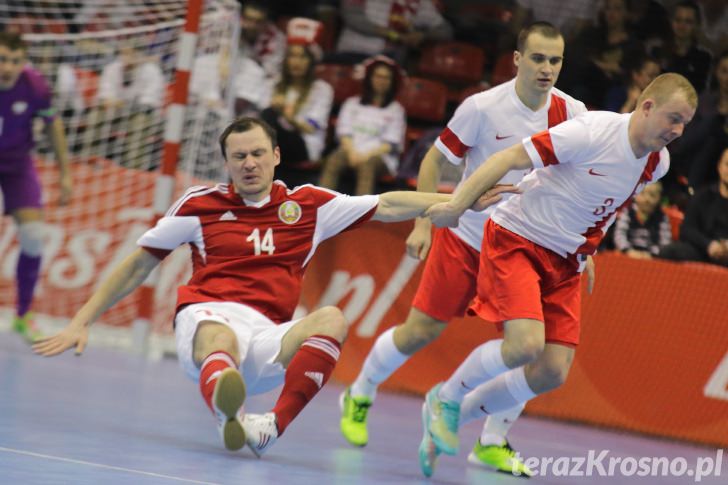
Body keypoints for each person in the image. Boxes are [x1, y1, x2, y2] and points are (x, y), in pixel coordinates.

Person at [32, 117, 512, 457]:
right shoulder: (199, 205)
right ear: (225, 162)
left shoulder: (308, 204)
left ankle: (267, 426)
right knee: (217, 337)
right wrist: (82, 319)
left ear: (277, 156)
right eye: (238, 156)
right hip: (208, 317)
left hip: (268, 337)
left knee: (332, 318)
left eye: (258, 153)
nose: (249, 163)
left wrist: (462, 198)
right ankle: (227, 405)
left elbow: (386, 203)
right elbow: (140, 262)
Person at [338, 22, 587, 478]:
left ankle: (492, 441)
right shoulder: (483, 107)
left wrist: (581, 247)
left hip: (528, 249)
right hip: (468, 239)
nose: (546, 68)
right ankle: (360, 391)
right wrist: (422, 225)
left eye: (555, 60)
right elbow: (435, 161)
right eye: (537, 58)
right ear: (516, 59)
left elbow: (579, 184)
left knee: (532, 348)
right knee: (419, 332)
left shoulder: (573, 113)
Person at [422, 73, 697, 473]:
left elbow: (607, 204)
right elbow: (508, 158)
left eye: (685, 122)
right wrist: (456, 205)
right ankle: (445, 399)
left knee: (551, 372)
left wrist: (588, 252)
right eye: (673, 117)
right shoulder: (590, 132)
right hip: (518, 238)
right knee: (524, 346)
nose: (678, 130)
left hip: (567, 258)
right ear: (647, 106)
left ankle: (455, 419)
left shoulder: (658, 163)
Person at [0, 32, 73, 342]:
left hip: (17, 166)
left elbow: (54, 125)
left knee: (32, 236)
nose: (8, 67)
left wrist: (65, 174)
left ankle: (23, 314)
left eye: (16, 61)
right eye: (3, 59)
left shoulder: (35, 86)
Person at [259, 18, 333, 187]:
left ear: (311, 62)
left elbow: (311, 127)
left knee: (270, 116)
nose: (296, 62)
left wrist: (285, 115)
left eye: (302, 57)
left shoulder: (321, 89)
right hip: (273, 142)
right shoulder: (273, 83)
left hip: (304, 145)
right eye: (292, 56)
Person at [319, 55, 406, 195]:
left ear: (392, 82)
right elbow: (344, 134)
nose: (381, 81)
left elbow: (389, 144)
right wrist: (352, 152)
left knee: (367, 164)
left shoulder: (396, 110)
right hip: (350, 150)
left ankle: (363, 214)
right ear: (369, 77)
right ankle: (320, 204)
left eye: (386, 77)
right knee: (334, 159)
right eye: (377, 76)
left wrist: (365, 155)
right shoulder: (351, 103)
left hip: (379, 157)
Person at [659, 148, 728, 267]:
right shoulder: (703, 196)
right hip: (703, 250)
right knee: (670, 252)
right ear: (719, 167)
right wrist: (709, 245)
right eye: (727, 164)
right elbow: (687, 229)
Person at [613, 180, 672, 259]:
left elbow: (665, 241)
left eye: (652, 195)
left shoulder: (662, 217)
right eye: (642, 194)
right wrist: (628, 250)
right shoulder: (627, 212)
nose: (647, 199)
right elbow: (619, 235)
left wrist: (652, 254)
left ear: (659, 198)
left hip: (652, 257)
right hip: (628, 255)